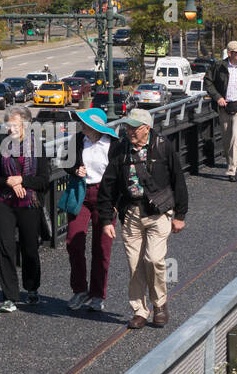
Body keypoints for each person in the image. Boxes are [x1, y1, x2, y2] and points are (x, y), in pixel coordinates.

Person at [97, 108, 188, 330]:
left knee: (154, 259)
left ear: (146, 129)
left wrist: (180, 215)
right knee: (135, 265)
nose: (128, 131)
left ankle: (159, 304)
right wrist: (106, 220)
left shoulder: (163, 146)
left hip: (159, 213)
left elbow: (178, 181)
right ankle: (139, 310)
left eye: (133, 128)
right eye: (126, 127)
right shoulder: (120, 149)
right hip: (131, 213)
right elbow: (107, 185)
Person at [0, 106, 50, 313]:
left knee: (29, 248)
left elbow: (44, 180)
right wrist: (9, 181)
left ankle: (32, 287)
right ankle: (9, 296)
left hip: (29, 202)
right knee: (5, 248)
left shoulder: (38, 147)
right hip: (4, 201)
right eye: (8, 125)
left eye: (15, 125)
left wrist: (22, 180)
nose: (11, 129)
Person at [64, 106, 118, 312]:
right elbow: (64, 162)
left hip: (105, 197)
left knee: (101, 247)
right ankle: (80, 290)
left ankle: (98, 294)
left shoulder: (112, 144)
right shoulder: (78, 140)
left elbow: (120, 174)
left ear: (95, 126)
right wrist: (75, 168)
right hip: (80, 193)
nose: (81, 126)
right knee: (73, 241)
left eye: (85, 124)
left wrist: (116, 202)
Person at [203, 40, 237, 182]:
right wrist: (218, 97)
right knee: (227, 140)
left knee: (236, 137)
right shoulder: (218, 66)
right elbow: (208, 81)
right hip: (224, 107)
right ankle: (230, 162)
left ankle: (232, 169)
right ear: (230, 53)